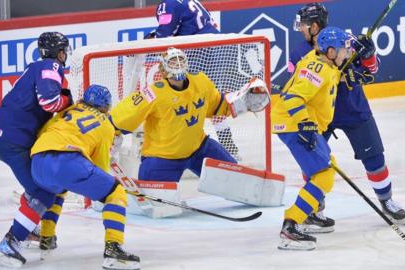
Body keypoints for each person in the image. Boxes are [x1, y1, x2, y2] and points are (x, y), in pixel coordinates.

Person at [291, 3, 405, 232]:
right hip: (320, 114)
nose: (300, 29)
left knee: (374, 157)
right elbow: (297, 87)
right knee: (313, 163)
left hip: (353, 109)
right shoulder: (298, 54)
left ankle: (386, 200)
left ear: (315, 26)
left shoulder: (347, 41)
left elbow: (372, 70)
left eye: (303, 25)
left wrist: (368, 55)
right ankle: (314, 209)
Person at [110, 47, 264, 183]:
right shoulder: (152, 93)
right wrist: (111, 131)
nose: (177, 65)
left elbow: (217, 106)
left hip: (199, 149)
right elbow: (123, 115)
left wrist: (242, 103)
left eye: (180, 60)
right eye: (172, 62)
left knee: (236, 178)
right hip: (162, 158)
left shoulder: (201, 81)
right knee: (158, 204)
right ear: (162, 70)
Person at [30, 85, 140, 270]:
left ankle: (46, 238)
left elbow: (43, 133)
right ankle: (113, 248)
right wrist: (106, 187)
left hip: (38, 160)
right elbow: (99, 167)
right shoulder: (106, 124)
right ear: (106, 107)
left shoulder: (67, 110)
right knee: (116, 193)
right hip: (69, 162)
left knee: (57, 189)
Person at [0, 31, 73, 267]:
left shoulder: (35, 66)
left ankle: (28, 228)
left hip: (9, 137)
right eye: (64, 50)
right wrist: (68, 101)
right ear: (59, 52)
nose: (65, 55)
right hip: (14, 141)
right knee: (44, 191)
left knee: (45, 185)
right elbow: (50, 102)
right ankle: (11, 241)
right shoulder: (51, 67)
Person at [271, 26, 351, 250]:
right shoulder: (317, 67)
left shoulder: (325, 62)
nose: (346, 53)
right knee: (324, 176)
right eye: (343, 50)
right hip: (295, 124)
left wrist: (359, 57)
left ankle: (305, 216)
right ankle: (290, 226)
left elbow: (335, 71)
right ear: (331, 52)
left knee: (328, 168)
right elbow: (293, 97)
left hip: (302, 124)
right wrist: (304, 124)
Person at [146, 0, 241, 160]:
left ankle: (184, 149)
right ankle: (229, 146)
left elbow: (164, 35)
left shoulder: (168, 5)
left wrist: (143, 44)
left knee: (186, 99)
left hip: (198, 50)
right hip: (217, 48)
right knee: (214, 99)